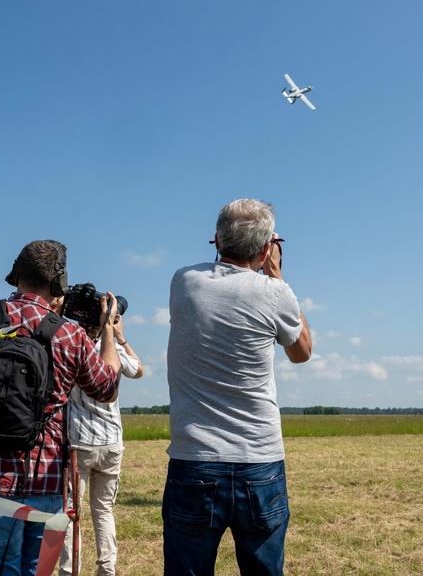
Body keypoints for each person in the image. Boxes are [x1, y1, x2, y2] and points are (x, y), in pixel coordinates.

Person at [0, 240, 122, 576]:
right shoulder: (70, 334)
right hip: (45, 481)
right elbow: (107, 387)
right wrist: (106, 330)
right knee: (35, 570)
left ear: (14, 274)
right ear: (59, 282)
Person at [164, 198, 312, 576]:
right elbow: (302, 352)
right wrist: (276, 273)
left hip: (194, 456)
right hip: (259, 458)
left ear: (216, 240)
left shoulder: (183, 281)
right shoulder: (275, 292)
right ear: (266, 249)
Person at [58, 313, 143, 576]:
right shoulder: (112, 350)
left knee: (72, 512)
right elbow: (138, 370)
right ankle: (107, 570)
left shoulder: (72, 346)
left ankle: (70, 570)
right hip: (111, 442)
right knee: (103, 511)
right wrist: (119, 337)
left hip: (80, 441)